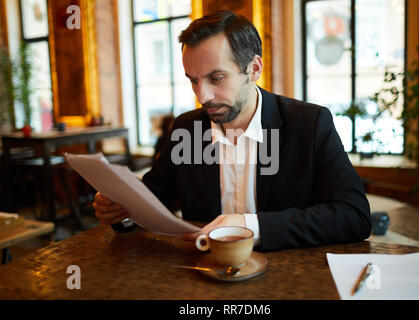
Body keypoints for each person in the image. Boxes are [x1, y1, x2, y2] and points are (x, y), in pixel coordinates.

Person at [94, 10, 371, 251]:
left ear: (254, 68)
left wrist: (250, 225)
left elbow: (354, 216)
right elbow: (153, 201)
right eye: (193, 80)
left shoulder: (310, 124)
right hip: (202, 279)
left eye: (216, 78)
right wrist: (123, 210)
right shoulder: (186, 129)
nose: (202, 96)